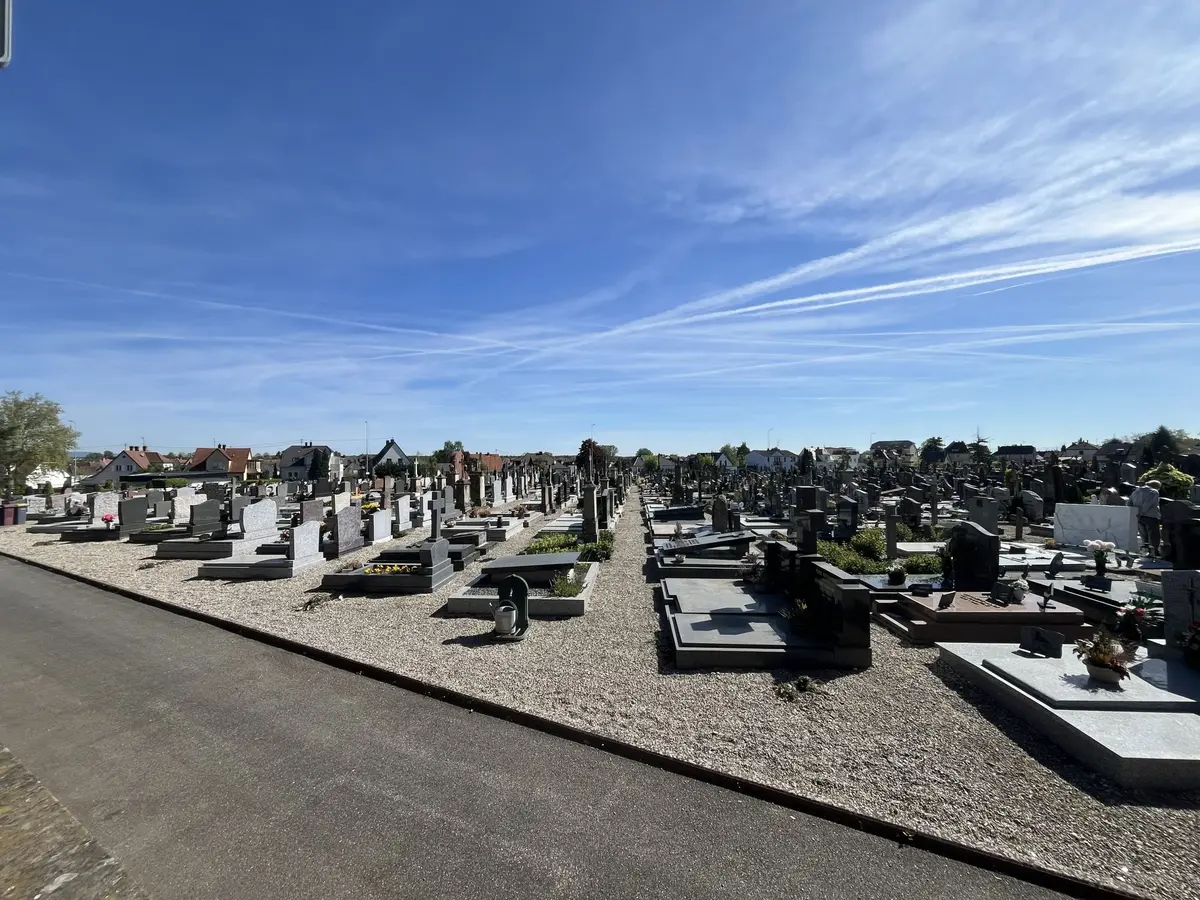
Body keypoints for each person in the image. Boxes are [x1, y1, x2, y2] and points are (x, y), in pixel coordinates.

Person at [1127, 480, 1162, 556]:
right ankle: (1154, 552)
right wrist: (1142, 512)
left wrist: (1135, 513)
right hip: (1151, 516)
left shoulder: (1136, 492)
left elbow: (1129, 503)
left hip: (1138, 517)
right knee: (1153, 536)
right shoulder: (1154, 492)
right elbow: (1148, 504)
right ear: (1156, 487)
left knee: (1144, 536)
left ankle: (1146, 551)